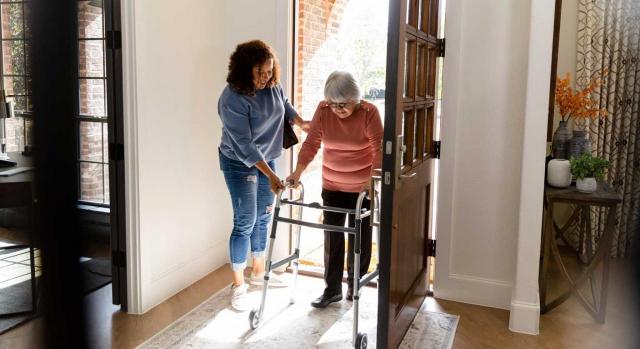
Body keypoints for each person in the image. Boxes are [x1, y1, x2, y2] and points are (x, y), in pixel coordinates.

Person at [218, 40, 309, 311]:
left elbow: (284, 104)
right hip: (239, 161)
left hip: (267, 158)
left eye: (269, 71)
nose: (265, 77)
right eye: (259, 72)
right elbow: (244, 145)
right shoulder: (232, 98)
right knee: (245, 220)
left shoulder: (272, 86)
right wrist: (270, 175)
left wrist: (300, 121)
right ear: (244, 70)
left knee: (264, 215)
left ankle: (258, 272)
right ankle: (238, 284)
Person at [287, 71, 383, 308]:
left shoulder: (369, 113)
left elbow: (378, 148)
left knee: (360, 236)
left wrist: (372, 181)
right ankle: (332, 289)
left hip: (362, 189)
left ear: (356, 98)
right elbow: (311, 144)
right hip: (332, 185)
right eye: (333, 104)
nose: (338, 110)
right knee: (332, 236)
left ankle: (355, 285)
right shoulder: (324, 111)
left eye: (343, 104)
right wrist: (297, 172)